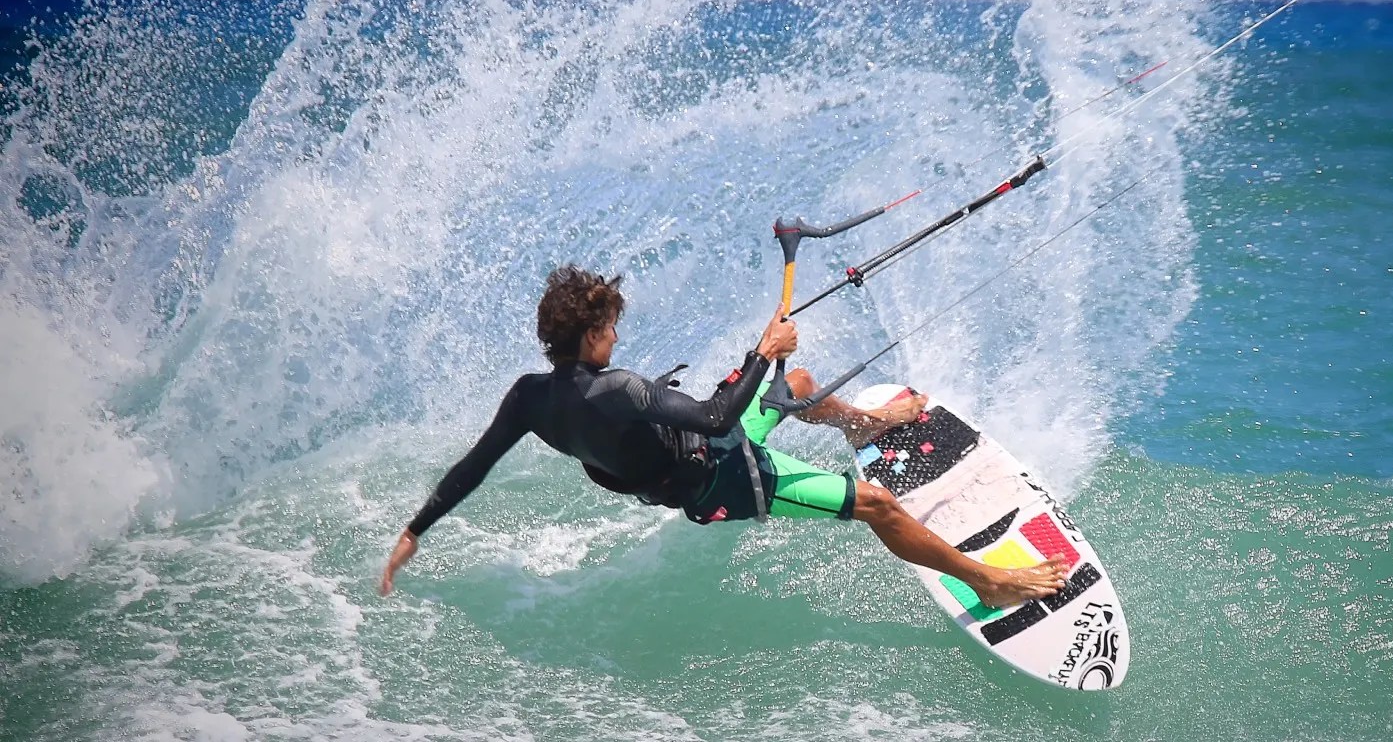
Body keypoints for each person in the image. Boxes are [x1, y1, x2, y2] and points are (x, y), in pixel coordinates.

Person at [379, 265, 1068, 608]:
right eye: (610, 327)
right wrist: (765, 349)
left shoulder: (530, 397)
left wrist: (417, 528)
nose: (617, 335)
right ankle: (990, 581)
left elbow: (472, 467)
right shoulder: (617, 388)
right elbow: (715, 420)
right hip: (724, 478)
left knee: (796, 391)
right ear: (589, 336)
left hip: (701, 456)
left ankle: (868, 422)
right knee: (877, 506)